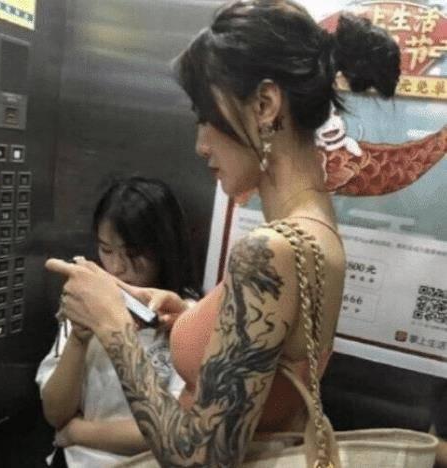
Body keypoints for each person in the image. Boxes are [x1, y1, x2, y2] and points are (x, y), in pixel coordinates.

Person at [45, 1, 401, 466]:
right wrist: (190, 315)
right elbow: (275, 360)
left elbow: (202, 457)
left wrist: (112, 326)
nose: (201, 145)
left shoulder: (271, 249)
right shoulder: (315, 229)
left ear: (265, 105)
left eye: (206, 116)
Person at [36, 176, 201, 467]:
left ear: (164, 249)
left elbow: (177, 429)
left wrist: (78, 432)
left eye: (132, 254)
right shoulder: (88, 301)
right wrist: (79, 338)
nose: (116, 267)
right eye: (106, 250)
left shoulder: (188, 318)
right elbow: (56, 412)